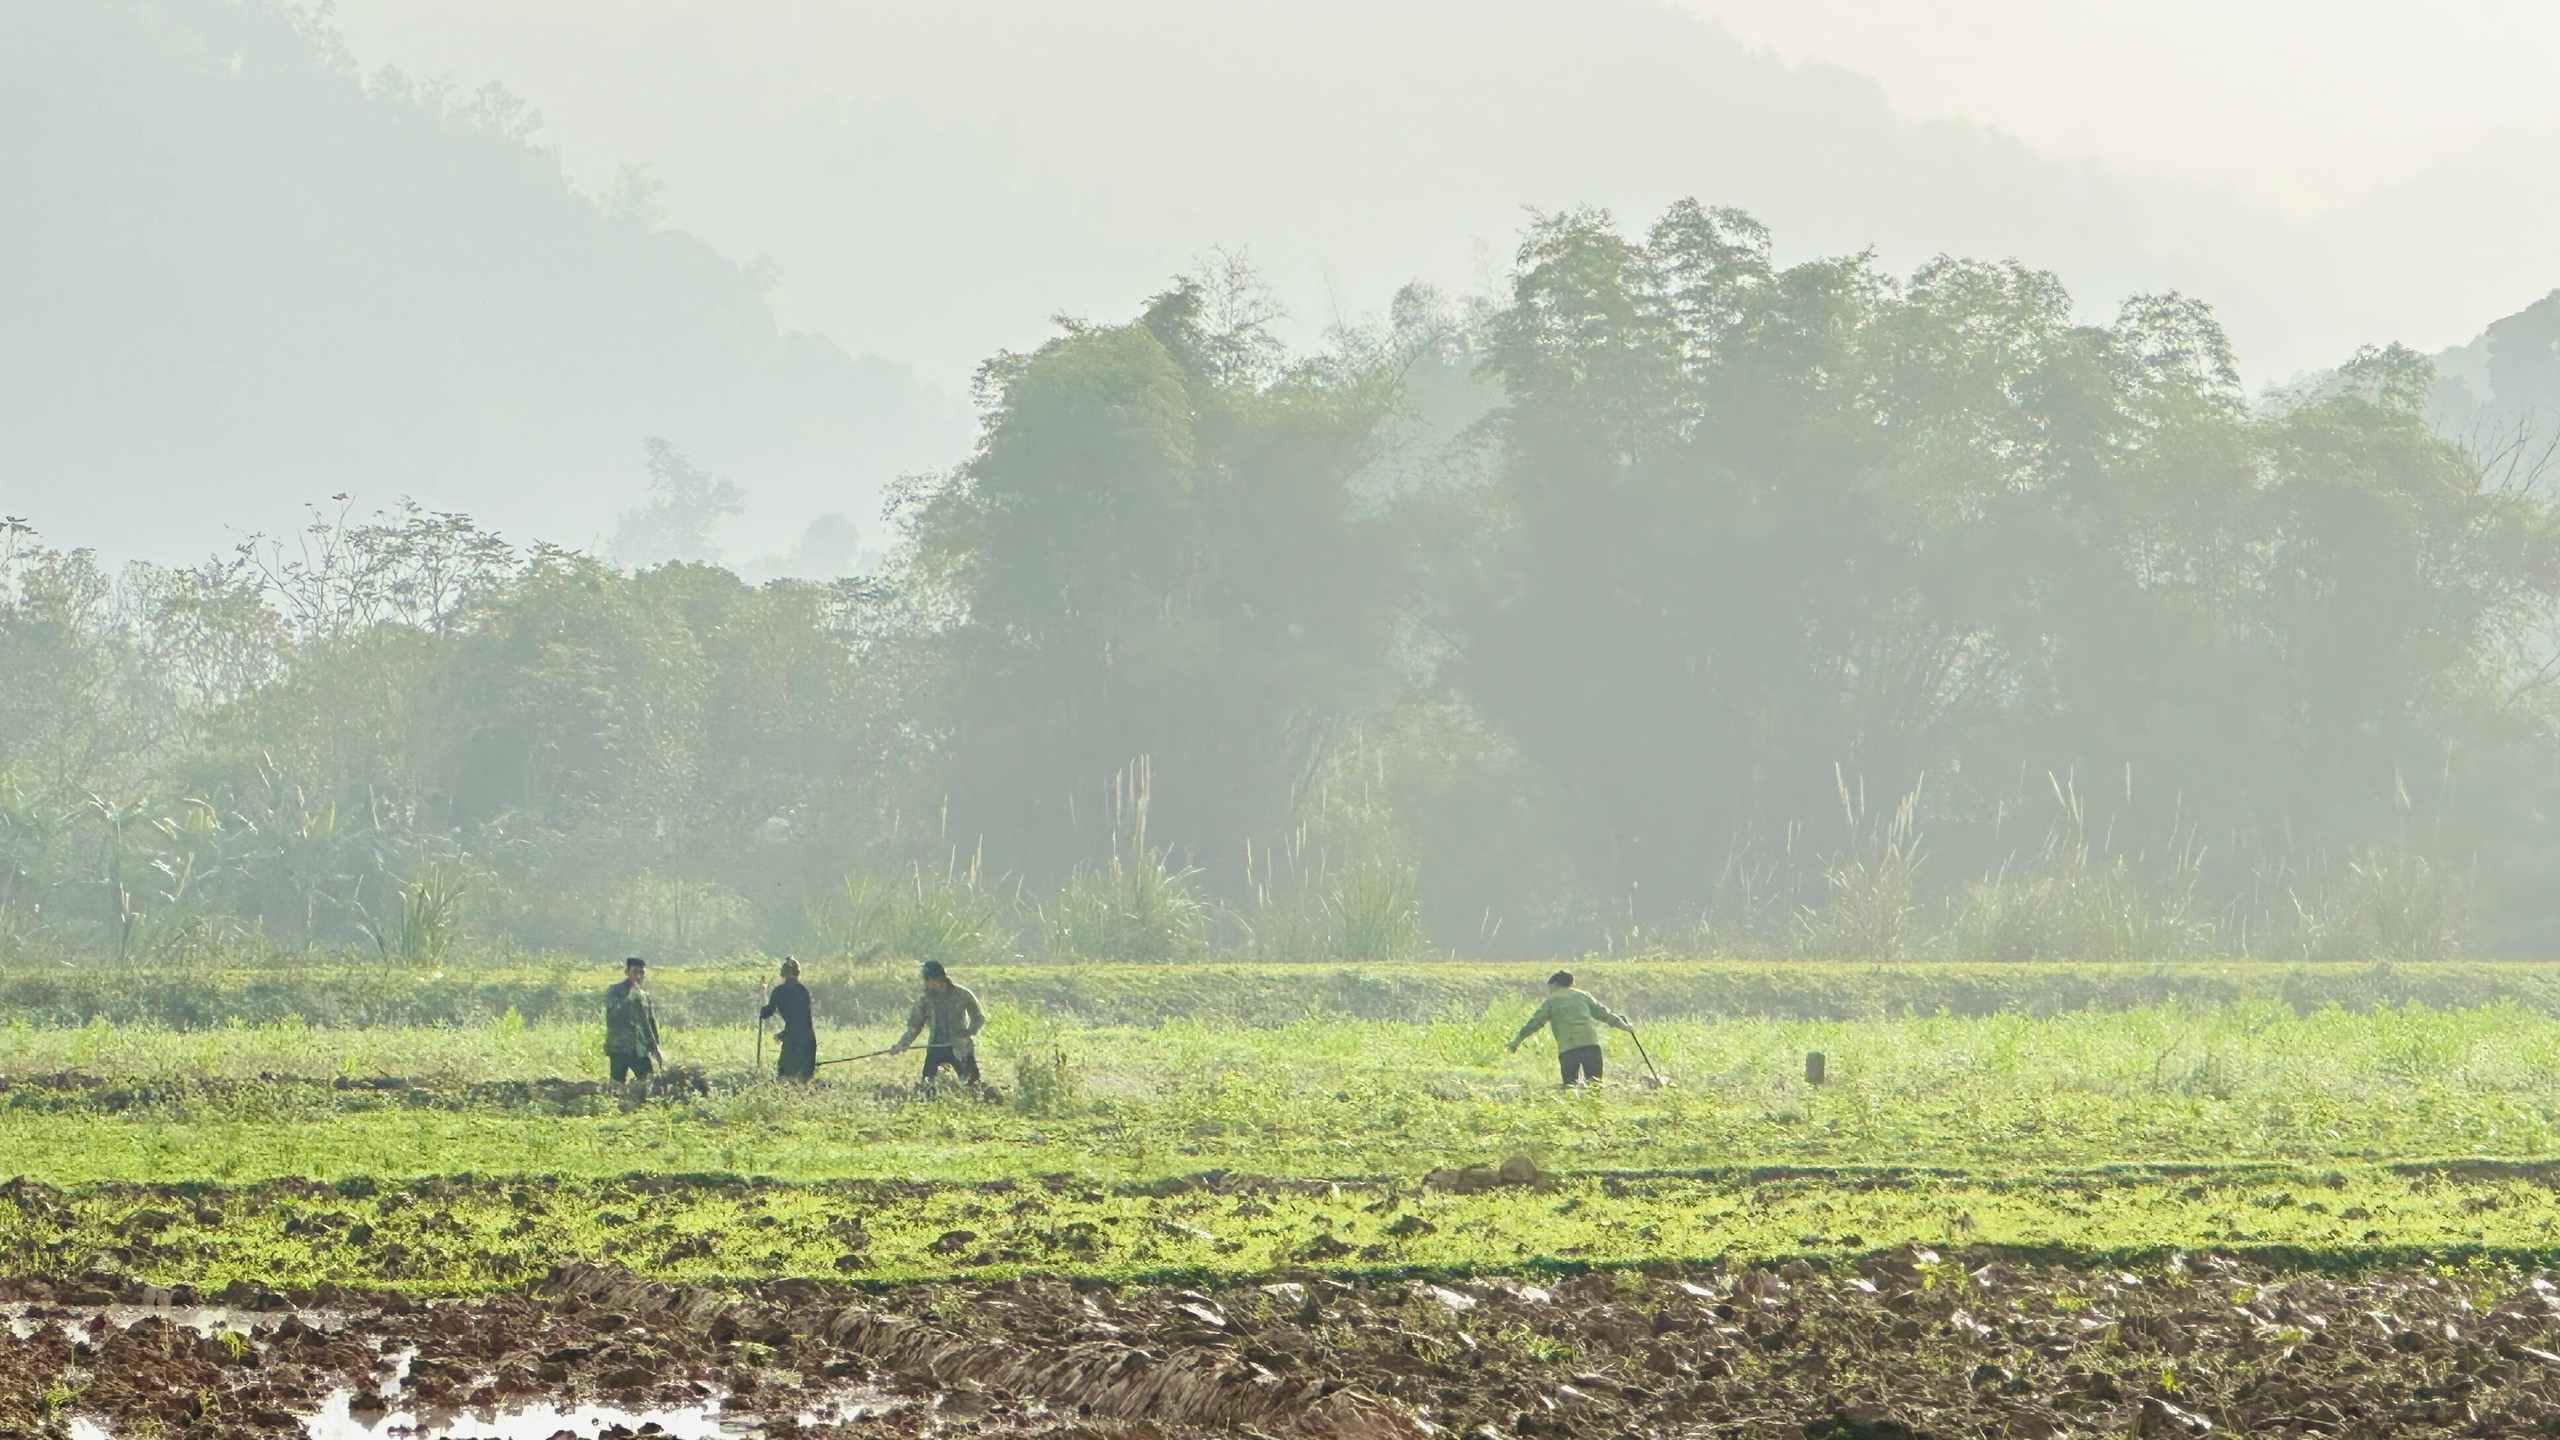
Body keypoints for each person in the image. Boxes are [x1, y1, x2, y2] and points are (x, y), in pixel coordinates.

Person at [1507, 969, 1634, 1086]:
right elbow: (1604, 1014)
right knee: (1594, 1083)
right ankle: (1593, 1107)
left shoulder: (1551, 1001)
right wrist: (1625, 1026)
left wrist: (1516, 1041)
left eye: (1550, 988)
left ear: (1555, 985)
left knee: (1570, 1086)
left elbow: (1534, 1024)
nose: (1550, 991)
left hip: (1567, 1048)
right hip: (1589, 1044)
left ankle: (1574, 1108)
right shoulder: (1583, 996)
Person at [890, 959, 984, 1085]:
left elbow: (978, 1017)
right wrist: (901, 1044)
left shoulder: (962, 995)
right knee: (927, 1086)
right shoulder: (924, 1000)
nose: (926, 984)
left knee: (973, 1084)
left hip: (959, 1047)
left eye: (928, 980)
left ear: (938, 978)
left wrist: (968, 1032)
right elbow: (914, 1026)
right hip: (935, 1047)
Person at [604, 956, 665, 1084]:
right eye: (635, 972)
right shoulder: (615, 991)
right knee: (616, 1084)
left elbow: (649, 1023)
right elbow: (613, 1012)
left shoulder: (643, 996)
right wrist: (629, 1000)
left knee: (648, 1082)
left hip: (639, 1049)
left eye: (641, 972)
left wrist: (655, 1048)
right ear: (627, 972)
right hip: (619, 1047)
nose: (638, 976)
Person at [760, 956, 816, 1081]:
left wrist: (762, 994)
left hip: (793, 1040)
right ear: (798, 973)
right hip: (808, 1039)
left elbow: (767, 1013)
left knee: (785, 1075)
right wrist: (785, 1033)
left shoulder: (779, 991)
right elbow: (802, 1020)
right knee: (804, 1078)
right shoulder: (803, 991)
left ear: (783, 974)